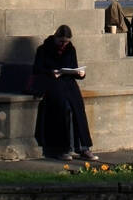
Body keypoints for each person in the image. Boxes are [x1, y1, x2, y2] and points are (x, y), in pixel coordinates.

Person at [32, 25, 98, 161]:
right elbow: (37, 69)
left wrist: (80, 74)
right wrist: (51, 72)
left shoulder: (70, 49)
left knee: (78, 109)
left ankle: (83, 147)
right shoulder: (43, 49)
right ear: (55, 38)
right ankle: (63, 148)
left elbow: (73, 67)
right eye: (61, 41)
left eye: (66, 41)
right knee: (63, 108)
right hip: (53, 83)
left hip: (69, 84)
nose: (63, 44)